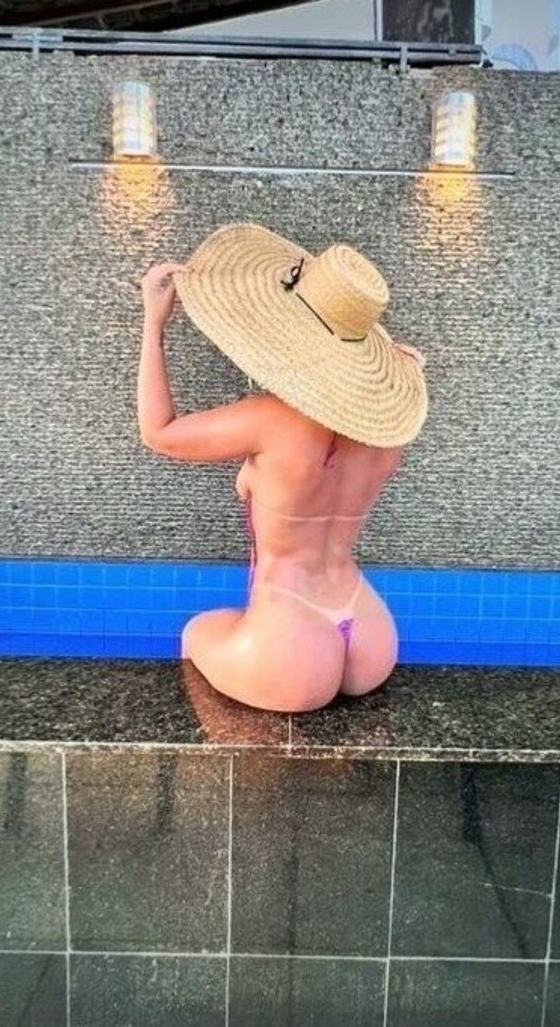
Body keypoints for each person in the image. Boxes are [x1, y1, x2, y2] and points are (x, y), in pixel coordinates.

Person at [137, 223, 428, 713]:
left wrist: (154, 323)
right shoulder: (390, 431)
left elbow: (159, 431)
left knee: (195, 631)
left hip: (291, 643)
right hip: (371, 629)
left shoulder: (270, 418)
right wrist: (407, 375)